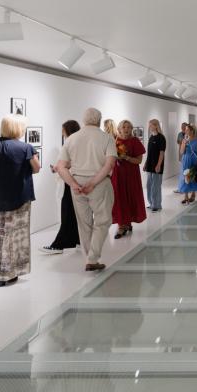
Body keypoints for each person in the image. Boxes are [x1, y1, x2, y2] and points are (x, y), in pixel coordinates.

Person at [0, 115, 40, 287]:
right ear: (19, 128)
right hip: (18, 198)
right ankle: (9, 273)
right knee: (14, 236)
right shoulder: (25, 147)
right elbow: (36, 168)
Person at [57, 107, 117, 272]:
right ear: (99, 120)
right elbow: (109, 164)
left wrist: (73, 184)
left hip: (77, 185)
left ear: (84, 120)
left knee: (84, 224)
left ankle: (90, 257)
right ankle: (92, 258)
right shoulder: (106, 138)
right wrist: (93, 182)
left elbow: (60, 167)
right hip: (99, 183)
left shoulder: (72, 139)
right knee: (103, 220)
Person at [42, 120, 82, 254]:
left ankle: (59, 245)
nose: (62, 133)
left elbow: (71, 162)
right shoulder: (79, 142)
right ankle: (78, 240)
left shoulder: (70, 142)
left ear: (67, 130)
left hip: (70, 181)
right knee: (75, 213)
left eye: (63, 130)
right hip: (76, 180)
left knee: (68, 213)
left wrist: (58, 168)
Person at [112, 119, 147, 237]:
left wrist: (126, 158)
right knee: (119, 197)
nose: (126, 129)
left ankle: (127, 222)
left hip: (131, 174)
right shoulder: (114, 141)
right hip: (118, 174)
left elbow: (139, 160)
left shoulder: (135, 141)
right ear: (119, 129)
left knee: (130, 197)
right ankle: (121, 225)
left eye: (128, 127)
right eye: (124, 127)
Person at [178, 122, 197, 203]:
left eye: (187, 130)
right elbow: (181, 152)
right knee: (185, 176)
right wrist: (184, 144)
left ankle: (193, 194)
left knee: (193, 176)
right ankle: (186, 196)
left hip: (194, 160)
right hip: (186, 159)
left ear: (192, 131)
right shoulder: (184, 139)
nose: (185, 131)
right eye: (185, 130)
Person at [144, 118, 166, 212]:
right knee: (149, 185)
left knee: (156, 186)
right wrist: (145, 163)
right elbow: (149, 153)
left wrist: (158, 165)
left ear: (156, 126)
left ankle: (157, 205)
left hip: (157, 166)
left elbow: (162, 153)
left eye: (150, 125)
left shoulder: (161, 138)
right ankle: (152, 203)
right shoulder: (151, 137)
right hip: (149, 165)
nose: (149, 127)